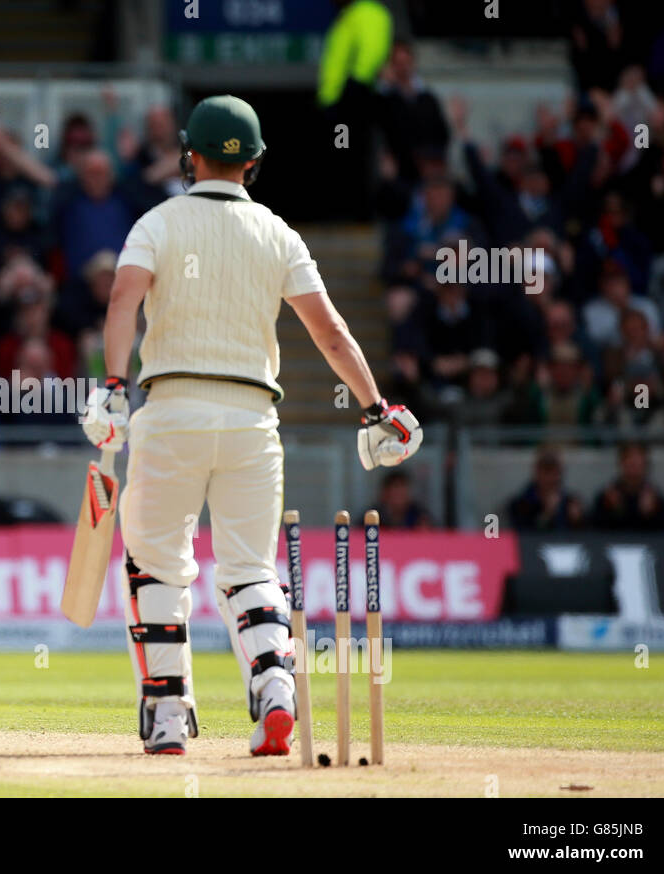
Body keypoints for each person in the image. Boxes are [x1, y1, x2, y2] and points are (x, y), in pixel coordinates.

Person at [80, 96, 422, 757]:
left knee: (156, 568)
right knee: (249, 568)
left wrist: (113, 386)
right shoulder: (277, 232)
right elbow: (330, 330)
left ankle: (169, 713)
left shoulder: (158, 221)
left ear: (189, 155)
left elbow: (123, 298)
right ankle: (274, 689)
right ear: (256, 161)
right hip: (251, 420)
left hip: (172, 410)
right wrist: (377, 406)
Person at [592, 442, 664, 530]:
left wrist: (650, 514)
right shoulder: (608, 496)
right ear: (621, 463)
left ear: (645, 465)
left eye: (638, 462)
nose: (634, 466)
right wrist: (614, 510)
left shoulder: (656, 498)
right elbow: (595, 526)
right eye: (630, 462)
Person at [507, 447, 585, 531]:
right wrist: (546, 516)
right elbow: (522, 535)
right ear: (537, 471)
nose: (551, 478)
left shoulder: (570, 501)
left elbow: (590, 534)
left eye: (555, 471)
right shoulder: (521, 504)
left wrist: (577, 521)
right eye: (547, 471)